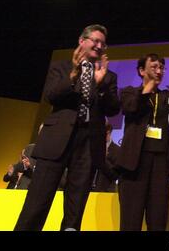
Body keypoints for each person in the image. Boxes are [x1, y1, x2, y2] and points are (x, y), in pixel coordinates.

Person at [14, 24, 120, 231]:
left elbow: (114, 109)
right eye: (95, 41)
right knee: (36, 204)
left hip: (89, 144)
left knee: (75, 209)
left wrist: (100, 87)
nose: (99, 46)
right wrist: (73, 74)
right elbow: (51, 96)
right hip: (57, 141)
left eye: (103, 43)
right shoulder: (62, 67)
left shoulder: (109, 77)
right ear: (82, 41)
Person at [116, 53, 169, 231]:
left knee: (158, 219)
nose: (159, 71)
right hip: (134, 164)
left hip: (161, 163)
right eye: (154, 67)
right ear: (141, 70)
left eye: (161, 68)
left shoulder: (166, 95)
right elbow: (132, 107)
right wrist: (149, 85)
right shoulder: (130, 92)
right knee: (131, 219)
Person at [91, 122, 120, 192]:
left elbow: (115, 175)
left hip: (105, 192)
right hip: (87, 191)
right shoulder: (92, 147)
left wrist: (103, 158)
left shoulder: (117, 150)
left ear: (108, 133)